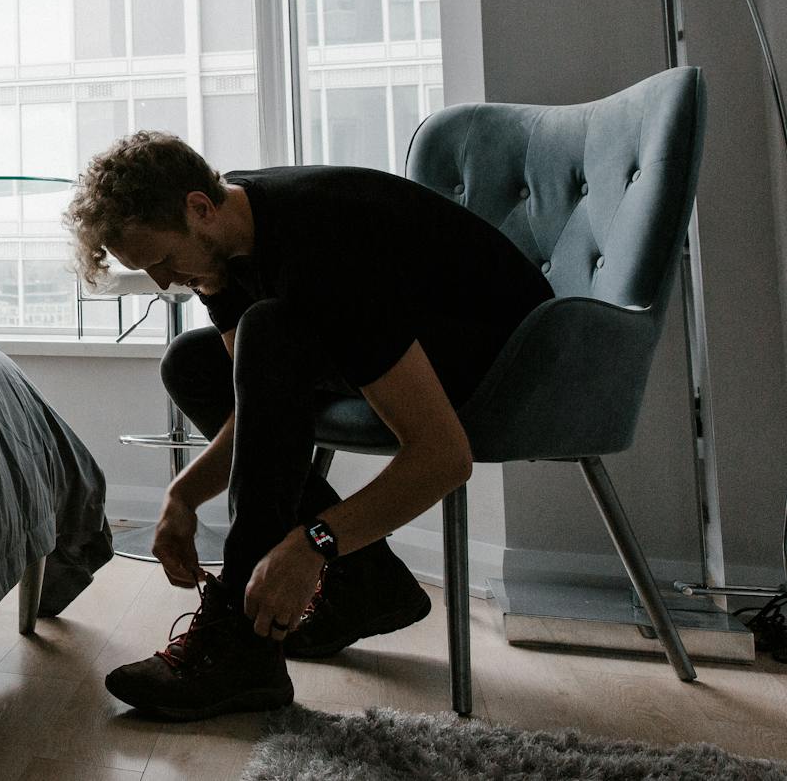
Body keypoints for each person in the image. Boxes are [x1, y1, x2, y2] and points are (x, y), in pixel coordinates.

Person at [65, 131, 553, 721]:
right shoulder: (221, 257)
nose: (165, 283)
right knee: (193, 364)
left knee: (269, 331)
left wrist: (314, 544)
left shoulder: (320, 246)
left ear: (199, 208)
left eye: (164, 260)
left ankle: (243, 648)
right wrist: (184, 495)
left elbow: (443, 457)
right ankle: (368, 579)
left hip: (513, 355)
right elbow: (254, 405)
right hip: (397, 329)